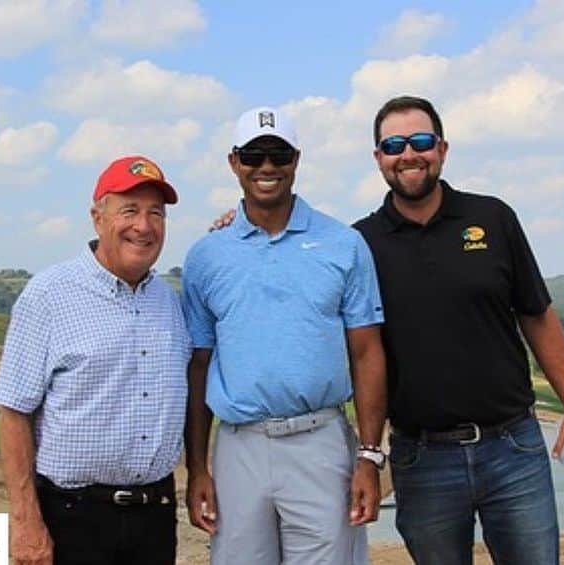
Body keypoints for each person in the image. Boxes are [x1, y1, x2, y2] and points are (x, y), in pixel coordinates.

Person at [352, 95, 564, 564]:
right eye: (394, 145)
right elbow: (360, 351)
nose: (408, 154)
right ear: (379, 157)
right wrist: (238, 219)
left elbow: (537, 315)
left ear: (441, 149)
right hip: (421, 459)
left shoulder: (493, 218)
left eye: (420, 141)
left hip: (514, 447)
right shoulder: (360, 243)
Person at [182, 106, 388, 565]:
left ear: (297, 160)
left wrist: (370, 457)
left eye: (279, 154)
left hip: (320, 440)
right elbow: (198, 364)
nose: (267, 167)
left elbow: (367, 352)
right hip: (239, 445)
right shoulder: (206, 256)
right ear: (234, 162)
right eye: (254, 155)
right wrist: (197, 467)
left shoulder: (343, 245)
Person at [0, 155, 190, 565]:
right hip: (72, 518)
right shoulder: (49, 294)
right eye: (129, 210)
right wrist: (25, 520)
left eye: (156, 213)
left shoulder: (169, 302)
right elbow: (14, 414)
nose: (144, 226)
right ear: (97, 218)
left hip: (154, 515)